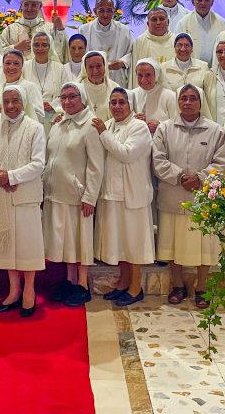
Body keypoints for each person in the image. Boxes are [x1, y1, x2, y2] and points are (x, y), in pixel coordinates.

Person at [152, 84, 225, 308]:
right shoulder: (165, 129)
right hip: (173, 196)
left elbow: (222, 162)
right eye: (183, 98)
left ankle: (201, 287)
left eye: (193, 98)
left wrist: (200, 178)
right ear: (178, 102)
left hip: (203, 199)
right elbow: (158, 160)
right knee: (172, 244)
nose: (187, 102)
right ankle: (177, 285)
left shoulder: (215, 130)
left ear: (200, 102)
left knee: (204, 247)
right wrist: (180, 177)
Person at [0, 84, 46, 317]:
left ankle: (29, 290)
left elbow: (38, 164)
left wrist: (11, 176)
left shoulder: (35, 128)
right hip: (1, 195)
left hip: (25, 196)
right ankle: (14, 290)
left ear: (23, 102)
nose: (10, 106)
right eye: (6, 101)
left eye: (15, 101)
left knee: (27, 247)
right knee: (8, 248)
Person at [44, 82, 104, 307]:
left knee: (81, 241)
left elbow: (96, 166)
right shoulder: (59, 124)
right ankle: (70, 281)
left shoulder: (90, 125)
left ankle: (82, 284)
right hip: (56, 192)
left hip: (78, 196)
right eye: (64, 97)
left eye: (72, 97)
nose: (67, 101)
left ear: (82, 98)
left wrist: (90, 196)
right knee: (66, 242)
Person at [93, 87, 153, 307]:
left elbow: (126, 154)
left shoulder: (138, 127)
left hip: (132, 194)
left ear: (130, 105)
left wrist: (103, 133)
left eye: (122, 102)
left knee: (133, 243)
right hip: (112, 194)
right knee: (120, 243)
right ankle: (123, 281)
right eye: (113, 102)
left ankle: (136, 287)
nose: (117, 106)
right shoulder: (109, 125)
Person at [1, 0, 68, 62]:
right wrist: (15, 47)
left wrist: (60, 28)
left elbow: (62, 51)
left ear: (40, 6)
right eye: (26, 4)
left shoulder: (50, 28)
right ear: (21, 5)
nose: (29, 8)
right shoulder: (9, 30)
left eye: (33, 5)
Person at [79, 0, 132, 86]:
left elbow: (131, 53)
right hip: (93, 76)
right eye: (101, 10)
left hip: (116, 76)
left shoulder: (124, 30)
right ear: (95, 11)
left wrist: (122, 62)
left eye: (109, 11)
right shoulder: (84, 30)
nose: (105, 15)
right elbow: (79, 54)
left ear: (114, 11)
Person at [161, 34, 214, 119]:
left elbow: (207, 95)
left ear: (192, 49)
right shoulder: (163, 68)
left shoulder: (203, 67)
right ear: (174, 48)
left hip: (197, 116)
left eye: (187, 45)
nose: (183, 49)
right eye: (179, 45)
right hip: (172, 116)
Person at [177, 0, 225, 66]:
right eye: (199, 0)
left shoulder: (222, 23)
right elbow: (177, 48)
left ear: (212, 3)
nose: (203, 3)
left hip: (215, 68)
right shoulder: (183, 23)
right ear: (193, 2)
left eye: (207, 0)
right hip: (191, 68)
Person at [23, 32, 63, 124]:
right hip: (30, 116)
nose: (40, 48)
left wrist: (53, 105)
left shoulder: (59, 68)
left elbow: (65, 92)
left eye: (44, 45)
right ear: (32, 47)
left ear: (50, 47)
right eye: (36, 45)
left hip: (53, 116)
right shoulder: (24, 67)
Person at [0, 50, 44, 121]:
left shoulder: (30, 87)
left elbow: (39, 116)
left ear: (22, 66)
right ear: (3, 66)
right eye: (8, 63)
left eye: (16, 63)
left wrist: (14, 112)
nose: (11, 67)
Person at [130, 58, 177, 133]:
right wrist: (134, 121)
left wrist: (160, 126)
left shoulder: (170, 96)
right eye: (140, 75)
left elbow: (177, 124)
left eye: (148, 75)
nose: (143, 79)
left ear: (156, 75)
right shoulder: (131, 94)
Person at [130, 8, 175, 85]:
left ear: (168, 22)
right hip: (146, 88)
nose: (158, 23)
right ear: (148, 24)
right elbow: (135, 70)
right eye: (154, 19)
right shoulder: (140, 41)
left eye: (161, 19)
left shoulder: (175, 41)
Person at [80, 50, 117, 121]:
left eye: (99, 66)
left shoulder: (115, 88)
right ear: (85, 69)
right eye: (91, 67)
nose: (95, 70)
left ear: (105, 66)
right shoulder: (77, 88)